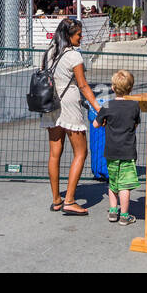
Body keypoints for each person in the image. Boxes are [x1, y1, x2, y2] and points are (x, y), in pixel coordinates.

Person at [39, 18, 101, 215]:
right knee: (81, 152)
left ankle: (57, 199)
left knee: (54, 154)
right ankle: (70, 200)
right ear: (69, 36)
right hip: (69, 105)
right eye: (79, 35)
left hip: (51, 104)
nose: (81, 38)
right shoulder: (74, 56)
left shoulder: (49, 52)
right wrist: (98, 107)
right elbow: (83, 85)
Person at [93, 70, 140, 226]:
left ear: (113, 88)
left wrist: (105, 121)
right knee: (125, 185)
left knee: (113, 182)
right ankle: (125, 215)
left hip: (111, 150)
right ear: (130, 88)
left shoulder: (107, 105)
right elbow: (135, 124)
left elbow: (96, 124)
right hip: (127, 150)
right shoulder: (134, 106)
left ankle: (113, 212)